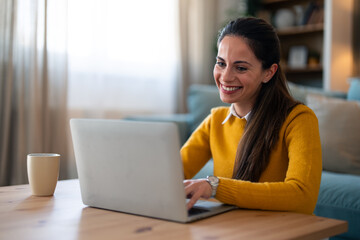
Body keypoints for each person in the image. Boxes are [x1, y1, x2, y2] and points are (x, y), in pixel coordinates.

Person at [181, 17, 322, 215]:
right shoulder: (215, 121)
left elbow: (302, 195)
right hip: (234, 229)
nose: (226, 76)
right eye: (221, 63)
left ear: (269, 72)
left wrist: (215, 186)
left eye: (240, 68)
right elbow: (173, 171)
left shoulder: (298, 119)